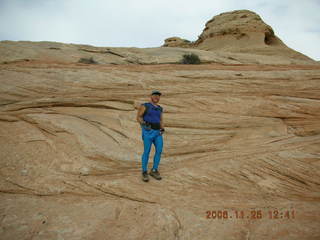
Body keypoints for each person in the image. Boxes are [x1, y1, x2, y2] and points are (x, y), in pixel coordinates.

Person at [136, 90, 165, 182]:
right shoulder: (145, 106)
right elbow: (139, 117)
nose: (157, 97)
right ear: (151, 96)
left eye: (158, 96)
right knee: (147, 151)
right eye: (155, 95)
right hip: (148, 132)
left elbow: (160, 120)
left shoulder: (160, 108)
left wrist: (162, 128)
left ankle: (154, 170)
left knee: (159, 150)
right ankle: (144, 171)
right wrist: (144, 124)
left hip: (157, 133)